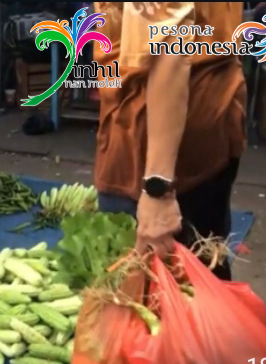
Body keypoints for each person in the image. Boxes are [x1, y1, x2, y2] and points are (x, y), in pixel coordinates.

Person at [92, 2, 247, 280]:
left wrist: (157, 188)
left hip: (157, 143)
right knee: (205, 277)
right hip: (212, 118)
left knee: (146, 289)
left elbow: (168, 49)